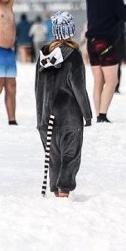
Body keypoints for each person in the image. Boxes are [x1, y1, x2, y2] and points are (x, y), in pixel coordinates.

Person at [35, 11, 92, 198]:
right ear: (70, 30)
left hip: (46, 117)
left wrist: (41, 118)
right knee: (70, 156)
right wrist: (87, 114)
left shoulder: (43, 56)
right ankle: (64, 192)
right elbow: (79, 88)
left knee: (53, 158)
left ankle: (55, 194)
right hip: (70, 117)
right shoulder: (73, 55)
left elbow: (38, 88)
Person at [85, 0, 126, 124]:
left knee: (98, 80)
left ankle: (97, 112)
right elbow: (125, 15)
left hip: (91, 42)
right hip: (106, 42)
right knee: (112, 81)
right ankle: (102, 115)